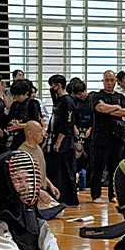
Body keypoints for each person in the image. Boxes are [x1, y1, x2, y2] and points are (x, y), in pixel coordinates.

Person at [90, 70, 125, 203]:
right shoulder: (96, 95)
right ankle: (96, 195)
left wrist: (110, 109)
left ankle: (112, 194)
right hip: (100, 138)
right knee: (98, 167)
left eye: (112, 80)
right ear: (103, 81)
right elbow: (99, 108)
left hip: (117, 138)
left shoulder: (120, 97)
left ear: (116, 81)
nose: (109, 83)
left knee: (115, 168)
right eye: (106, 80)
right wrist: (115, 108)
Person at [46, 74, 78, 206]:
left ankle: (69, 200)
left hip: (64, 142)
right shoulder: (58, 101)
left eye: (52, 85)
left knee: (65, 171)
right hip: (53, 139)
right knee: (56, 171)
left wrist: (59, 141)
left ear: (58, 85)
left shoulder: (68, 101)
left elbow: (67, 123)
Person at [5, 79, 42, 151]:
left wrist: (19, 126)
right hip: (15, 138)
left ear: (26, 93)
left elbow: (36, 123)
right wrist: (11, 123)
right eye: (14, 95)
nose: (16, 97)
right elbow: (9, 118)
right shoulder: (14, 104)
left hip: (28, 138)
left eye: (19, 95)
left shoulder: (33, 103)